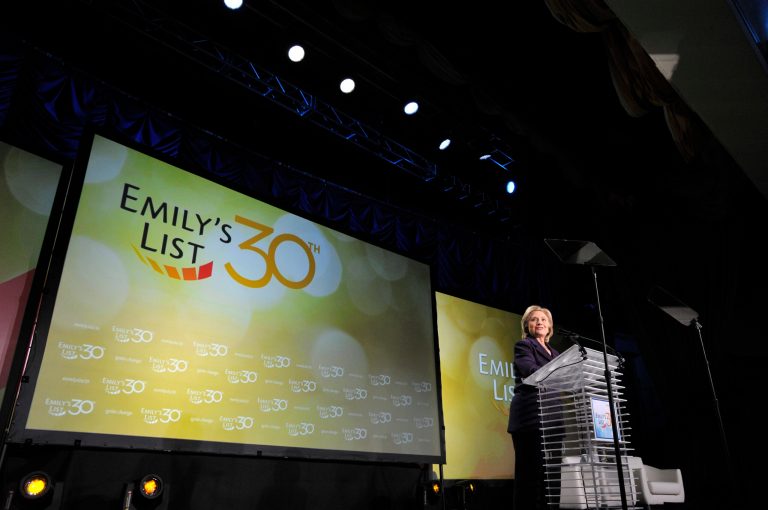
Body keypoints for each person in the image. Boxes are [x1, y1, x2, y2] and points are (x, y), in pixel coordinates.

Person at [507, 305, 561, 510]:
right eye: (534, 319)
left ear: (549, 327)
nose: (539, 322)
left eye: (543, 320)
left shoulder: (556, 353)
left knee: (552, 479)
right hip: (530, 419)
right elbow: (531, 371)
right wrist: (559, 374)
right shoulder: (524, 346)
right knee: (529, 478)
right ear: (527, 326)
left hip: (553, 420)